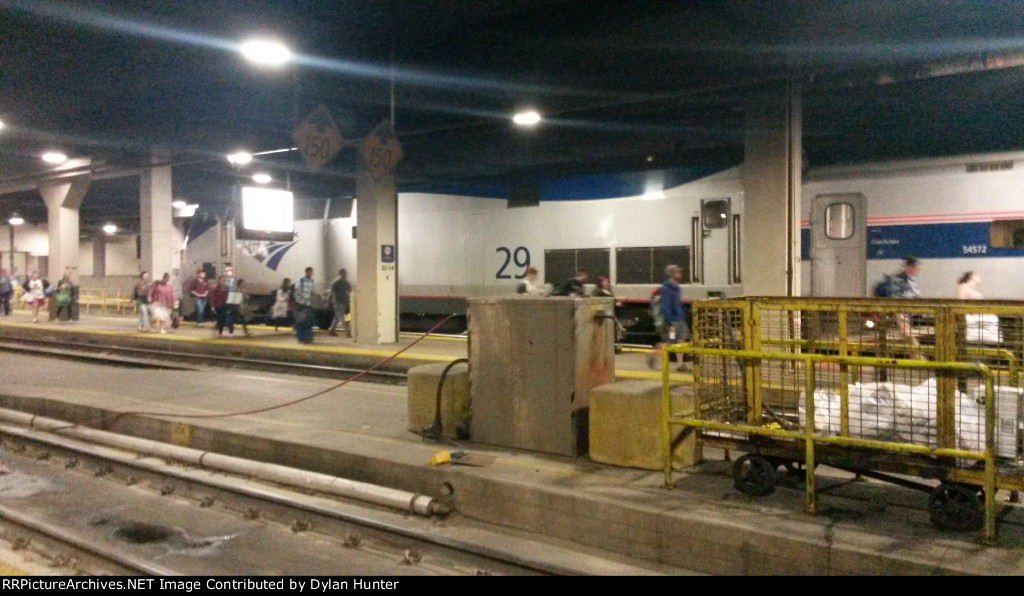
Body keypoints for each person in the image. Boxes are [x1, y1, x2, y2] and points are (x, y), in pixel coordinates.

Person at [648, 264, 691, 371]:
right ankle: (653, 355)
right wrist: (668, 323)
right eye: (677, 272)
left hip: (679, 319)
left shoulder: (677, 288)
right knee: (670, 342)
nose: (680, 274)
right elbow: (665, 306)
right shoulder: (666, 288)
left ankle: (680, 365)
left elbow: (677, 304)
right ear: (672, 274)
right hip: (672, 321)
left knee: (681, 341)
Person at [214, 266, 241, 338]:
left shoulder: (235, 281)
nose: (230, 273)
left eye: (231, 271)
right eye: (229, 271)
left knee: (231, 316)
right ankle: (222, 332)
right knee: (223, 317)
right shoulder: (224, 282)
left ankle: (230, 332)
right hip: (224, 302)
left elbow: (236, 289)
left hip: (232, 300)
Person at [292, 267, 316, 344]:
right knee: (301, 321)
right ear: (307, 272)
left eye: (312, 272)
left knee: (308, 321)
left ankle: (307, 337)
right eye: (310, 272)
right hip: (300, 303)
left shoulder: (312, 281)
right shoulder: (300, 280)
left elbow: (311, 290)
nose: (312, 274)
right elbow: (298, 290)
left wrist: (318, 295)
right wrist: (304, 296)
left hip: (307, 303)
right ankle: (301, 337)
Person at [328, 268, 351, 337]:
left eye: (345, 273)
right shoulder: (341, 283)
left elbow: (333, 293)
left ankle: (332, 330)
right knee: (341, 317)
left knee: (337, 317)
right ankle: (347, 331)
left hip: (341, 302)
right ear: (341, 274)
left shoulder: (340, 282)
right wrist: (335, 302)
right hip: (339, 302)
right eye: (344, 273)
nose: (345, 274)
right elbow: (334, 293)